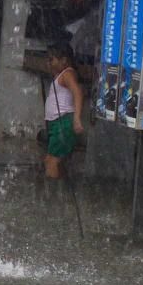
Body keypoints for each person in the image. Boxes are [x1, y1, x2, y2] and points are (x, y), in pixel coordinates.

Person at [41, 40, 86, 199]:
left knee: (51, 162)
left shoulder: (67, 73)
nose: (49, 63)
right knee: (54, 161)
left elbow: (78, 93)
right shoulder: (61, 75)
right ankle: (62, 194)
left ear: (64, 60)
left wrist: (77, 119)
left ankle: (51, 199)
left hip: (63, 123)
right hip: (58, 124)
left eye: (52, 59)